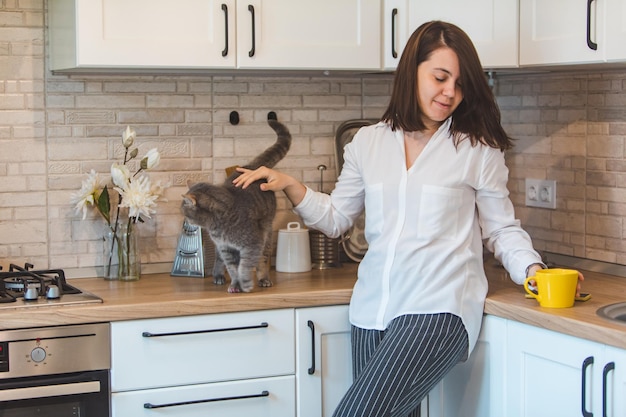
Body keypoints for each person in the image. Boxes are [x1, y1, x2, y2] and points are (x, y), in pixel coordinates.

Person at [234, 20, 584, 417]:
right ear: (411, 71)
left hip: (439, 309)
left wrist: (532, 269)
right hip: (372, 310)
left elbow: (500, 228)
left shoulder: (478, 149)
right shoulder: (367, 143)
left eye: (460, 82)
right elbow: (336, 218)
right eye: (440, 77)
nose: (450, 91)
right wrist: (289, 183)